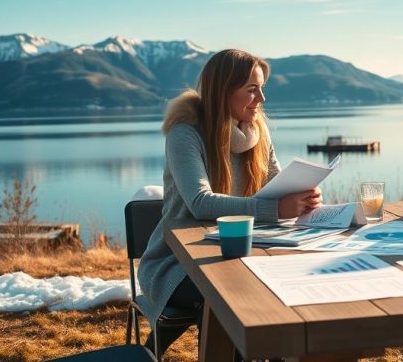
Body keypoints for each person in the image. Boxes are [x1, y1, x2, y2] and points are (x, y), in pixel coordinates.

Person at [137, 49, 322, 357]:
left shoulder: (256, 132)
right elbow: (200, 202)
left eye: (261, 88)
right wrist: (277, 209)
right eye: (251, 89)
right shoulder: (185, 134)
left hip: (240, 251)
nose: (261, 98)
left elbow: (275, 186)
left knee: (276, 290)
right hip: (179, 263)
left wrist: (302, 197)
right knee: (237, 300)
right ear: (223, 91)